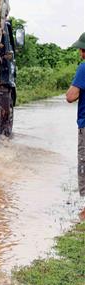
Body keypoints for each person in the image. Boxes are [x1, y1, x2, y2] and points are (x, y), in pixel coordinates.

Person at [65, 32, 85, 220]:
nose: (80, 52)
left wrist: (72, 89)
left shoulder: (84, 68)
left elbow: (71, 96)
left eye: (81, 49)